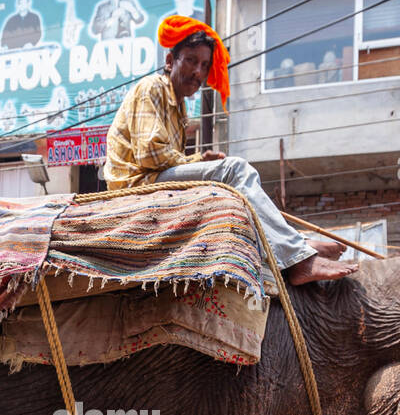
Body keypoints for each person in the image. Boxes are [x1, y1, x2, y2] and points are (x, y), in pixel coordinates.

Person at [102, 16, 356, 285]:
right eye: (190, 60)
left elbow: (163, 158)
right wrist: (198, 160)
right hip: (136, 185)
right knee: (234, 170)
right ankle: (300, 258)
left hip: (152, 178)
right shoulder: (152, 88)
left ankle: (299, 244)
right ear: (169, 61)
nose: (198, 72)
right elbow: (150, 155)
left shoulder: (179, 107)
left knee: (237, 192)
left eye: (204, 65)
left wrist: (196, 163)